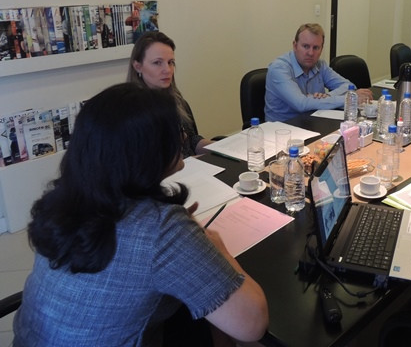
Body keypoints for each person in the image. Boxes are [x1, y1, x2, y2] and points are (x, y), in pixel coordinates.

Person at [13, 83, 268, 346]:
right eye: (175, 130)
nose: (183, 137)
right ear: (147, 150)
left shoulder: (62, 201)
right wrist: (215, 246)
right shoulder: (161, 228)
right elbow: (252, 324)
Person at [265, 23, 373, 122]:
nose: (311, 53)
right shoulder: (279, 68)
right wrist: (348, 99)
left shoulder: (320, 64)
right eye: (305, 46)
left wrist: (327, 96)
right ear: (295, 45)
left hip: (312, 122)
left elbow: (348, 86)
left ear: (321, 48)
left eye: (316, 48)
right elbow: (301, 104)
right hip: (283, 128)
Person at [128, 31, 211, 156]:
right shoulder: (133, 114)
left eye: (170, 62)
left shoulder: (177, 100)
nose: (167, 70)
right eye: (157, 63)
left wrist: (220, 148)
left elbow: (190, 141)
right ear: (138, 66)